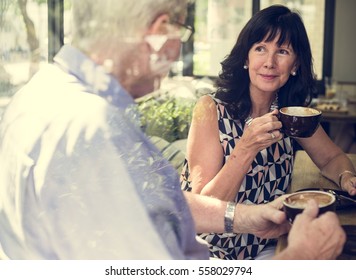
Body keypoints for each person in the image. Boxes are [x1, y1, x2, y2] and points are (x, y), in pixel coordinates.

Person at [0, 0, 345, 260]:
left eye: (282, 52)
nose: (180, 50)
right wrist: (300, 261)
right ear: (158, 31)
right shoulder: (91, 130)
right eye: (181, 32)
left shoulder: (42, 95)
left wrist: (245, 217)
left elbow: (158, 204)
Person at [181, 4, 354, 260]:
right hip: (210, 251)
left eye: (282, 51)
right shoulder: (210, 109)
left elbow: (331, 159)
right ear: (246, 57)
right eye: (260, 48)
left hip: (264, 246)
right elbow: (203, 211)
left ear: (295, 64)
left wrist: (346, 176)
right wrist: (246, 147)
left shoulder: (291, 115)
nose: (269, 63)